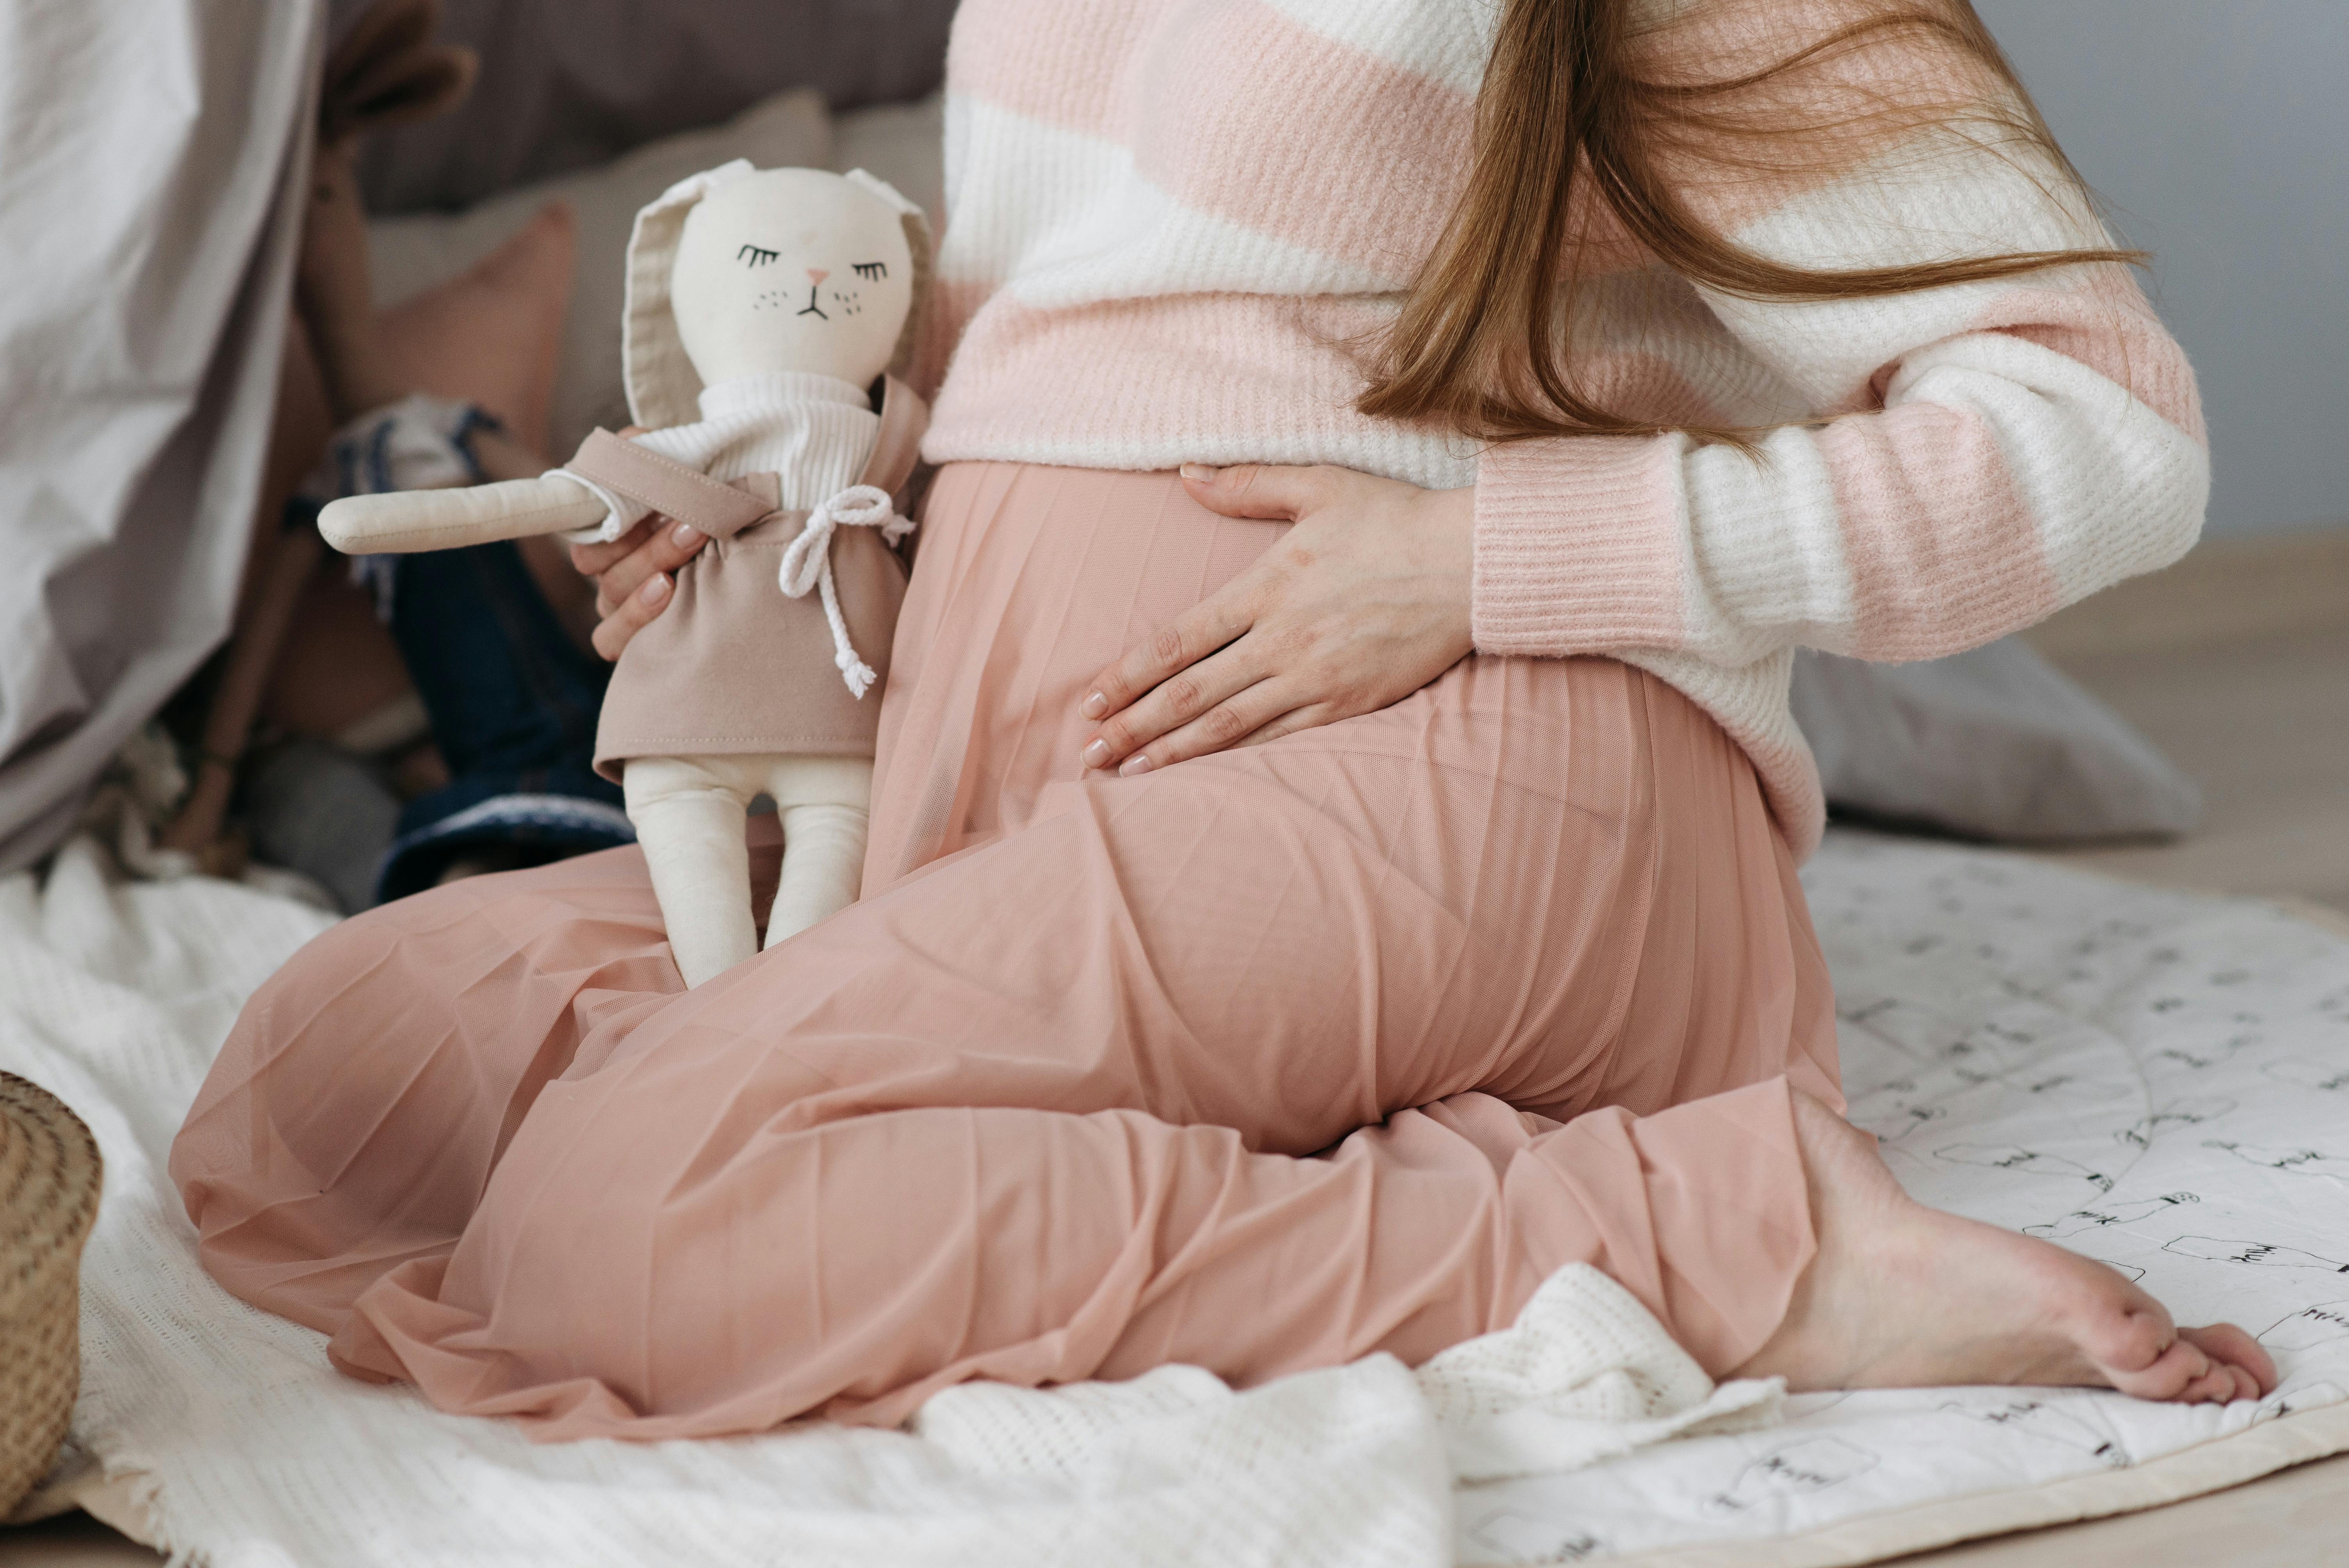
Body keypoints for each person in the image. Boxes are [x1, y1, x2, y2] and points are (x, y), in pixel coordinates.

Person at [170, 0, 2273, 1440]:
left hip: (1487, 768)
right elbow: (1095, 331)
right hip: (1029, 779)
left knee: (621, 1219)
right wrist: (802, 522)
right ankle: (1248, 1143)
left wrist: (1484, 561)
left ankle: (1731, 1247)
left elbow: (2096, 436)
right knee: (327, 1094)